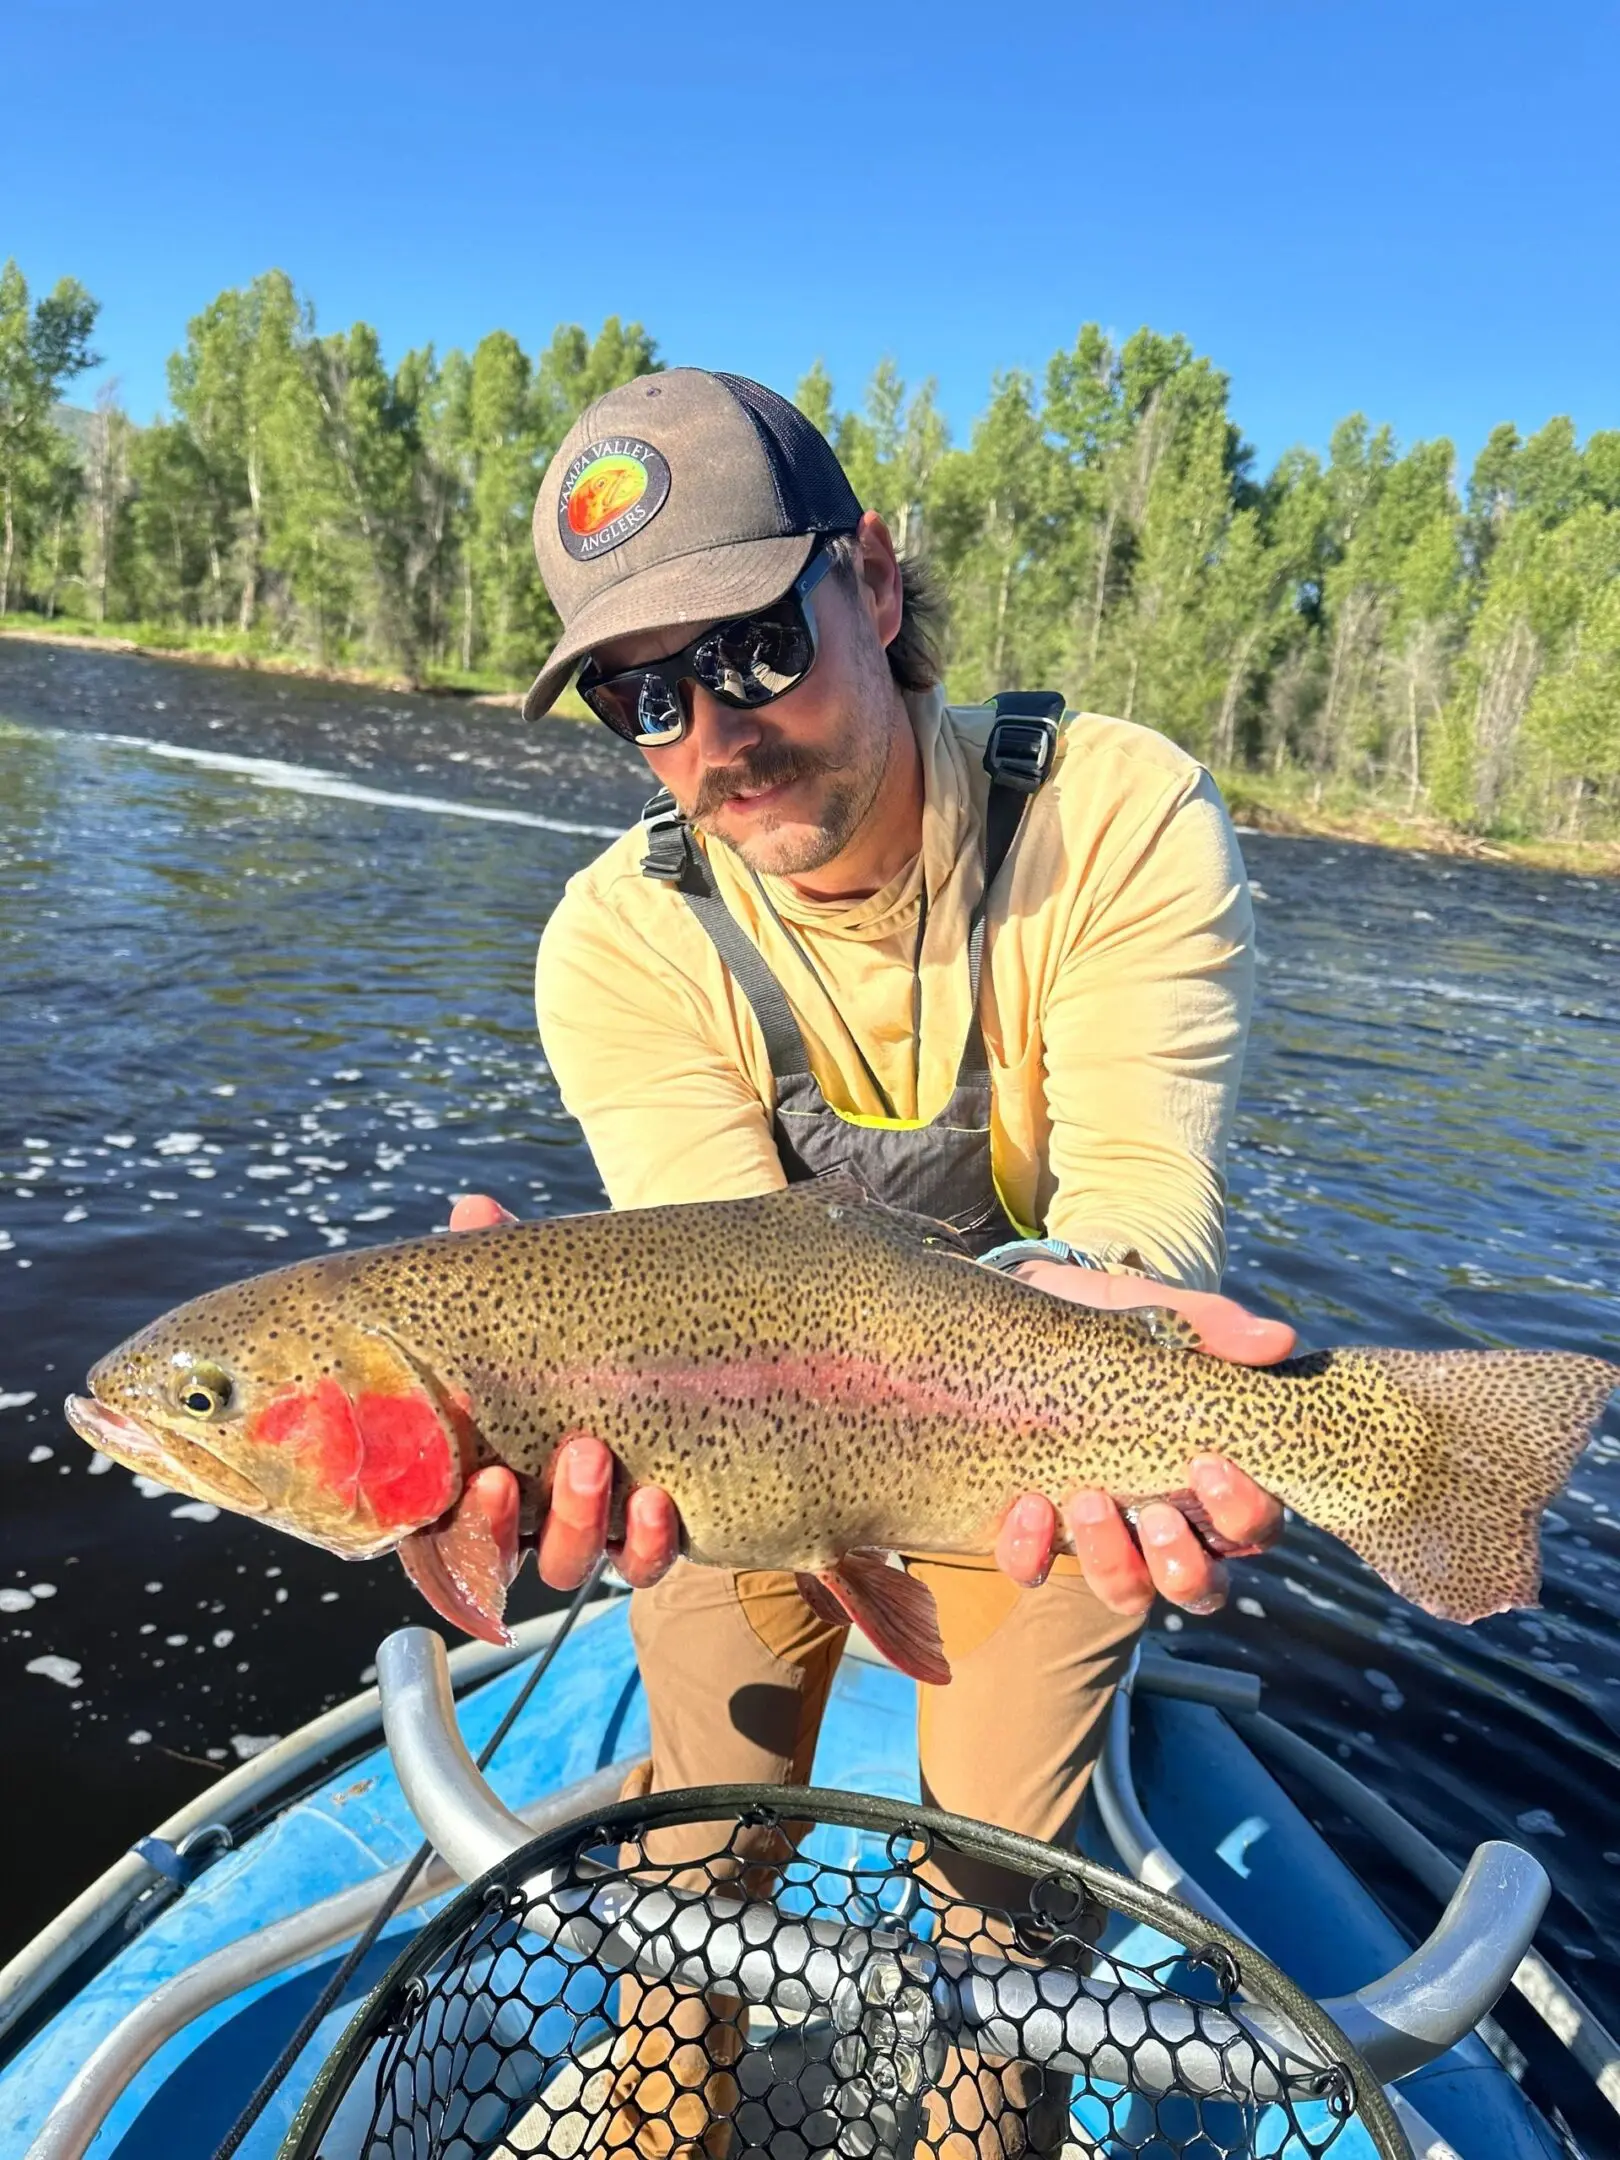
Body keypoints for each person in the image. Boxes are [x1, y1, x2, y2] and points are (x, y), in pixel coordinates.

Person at [454, 367, 1292, 2159]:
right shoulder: (621, 936)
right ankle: (666, 2092)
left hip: (1039, 1432)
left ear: (879, 583)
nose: (715, 735)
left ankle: (979, 2121)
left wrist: (1107, 1310)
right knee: (697, 1829)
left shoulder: (1112, 816)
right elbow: (702, 1277)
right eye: (643, 695)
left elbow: (1142, 1176)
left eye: (756, 648)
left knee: (994, 1856)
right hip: (758, 1435)